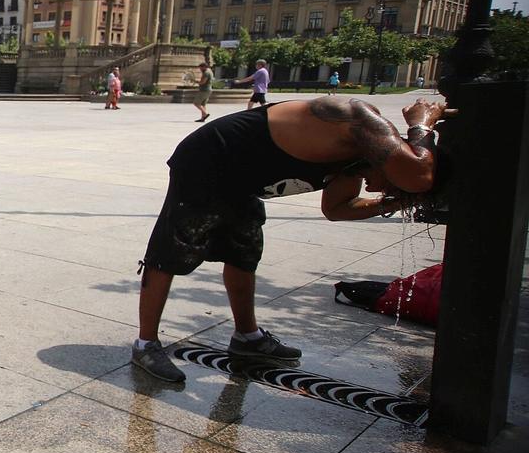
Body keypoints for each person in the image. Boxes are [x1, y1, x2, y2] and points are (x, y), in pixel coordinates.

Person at [130, 96, 445, 382]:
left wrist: (395, 203)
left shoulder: (356, 159)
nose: (377, 191)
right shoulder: (360, 121)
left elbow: (337, 209)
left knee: (244, 249)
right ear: (399, 152)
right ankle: (146, 344)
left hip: (241, 175)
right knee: (174, 247)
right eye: (390, 187)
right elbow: (419, 175)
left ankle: (246, 336)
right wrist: (421, 124)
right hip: (209, 157)